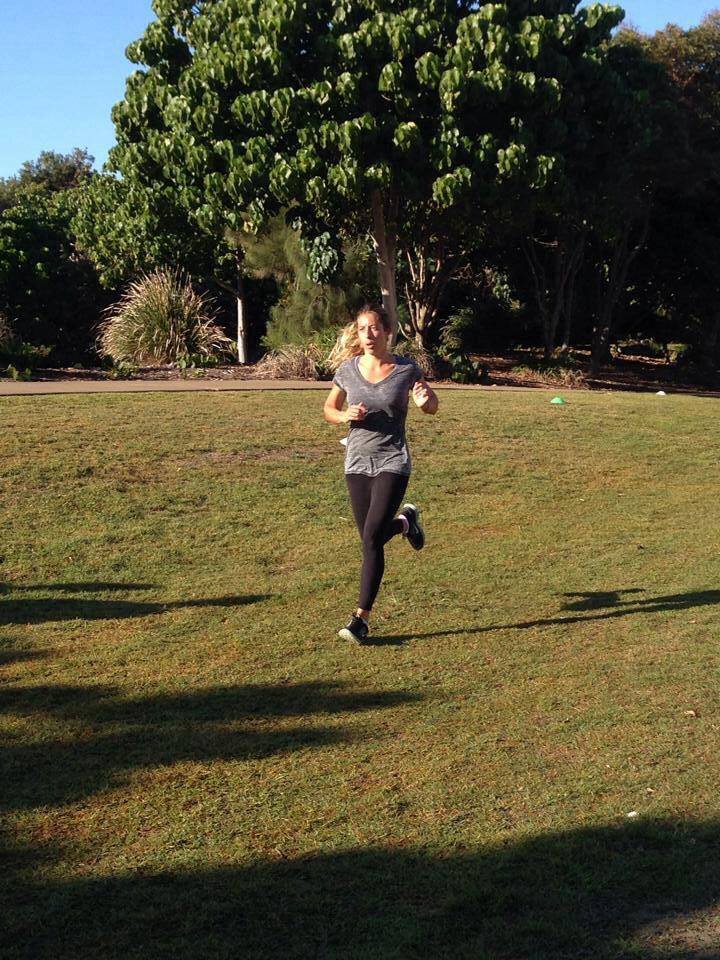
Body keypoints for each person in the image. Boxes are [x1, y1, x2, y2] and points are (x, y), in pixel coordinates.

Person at [323, 305, 439, 643]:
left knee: (372, 537)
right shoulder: (348, 370)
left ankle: (360, 619)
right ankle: (405, 523)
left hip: (392, 460)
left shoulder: (406, 369)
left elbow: (431, 405)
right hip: (357, 463)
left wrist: (425, 402)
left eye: (374, 328)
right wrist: (344, 416)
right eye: (362, 329)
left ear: (387, 331)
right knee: (370, 537)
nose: (368, 335)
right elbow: (329, 409)